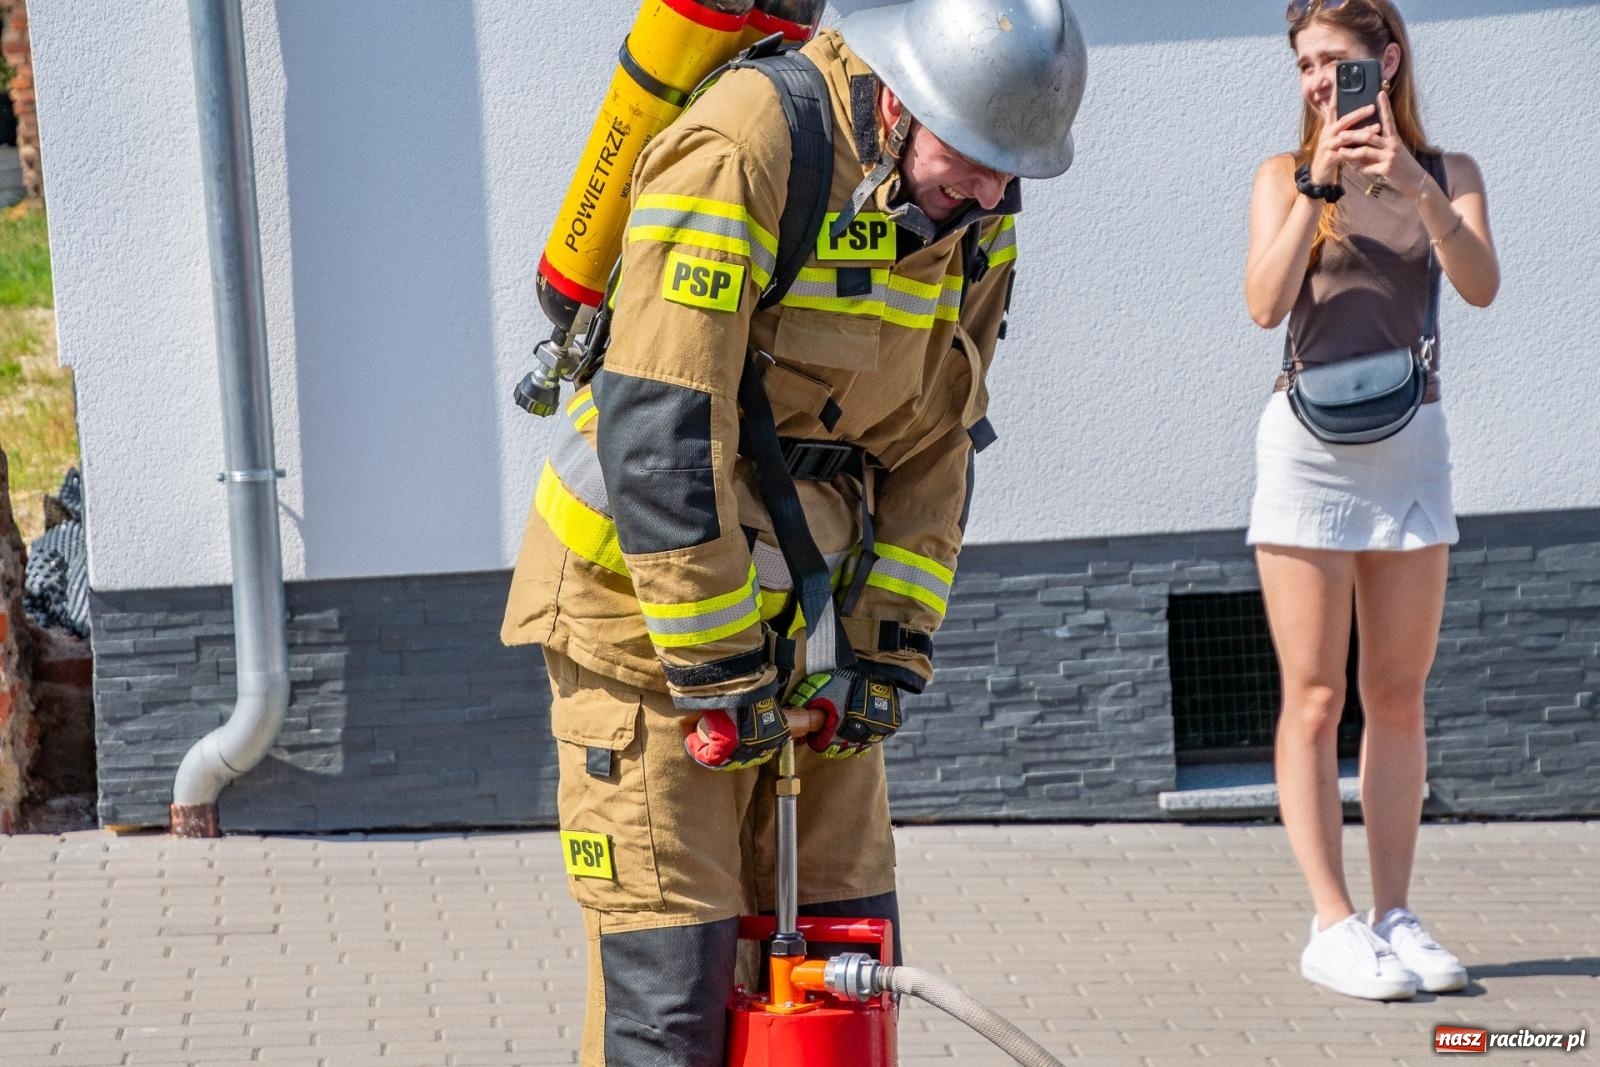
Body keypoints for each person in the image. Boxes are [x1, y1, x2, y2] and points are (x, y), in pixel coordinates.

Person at [501, 0, 1088, 1060]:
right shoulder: (746, 148)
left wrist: (885, 652)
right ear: (901, 97)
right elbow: (663, 427)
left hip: (806, 636)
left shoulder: (975, 208)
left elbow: (936, 436)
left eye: (1013, 171)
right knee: (670, 993)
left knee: (839, 963)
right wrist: (719, 668)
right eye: (973, 159)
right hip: (641, 627)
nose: (990, 194)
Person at [1243, 0, 1499, 1002]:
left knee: (1395, 693)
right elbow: (1264, 302)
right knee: (1312, 695)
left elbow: (1477, 284)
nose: (1317, 82)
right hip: (1304, 448)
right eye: (1305, 65)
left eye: (1334, 62)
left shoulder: (1451, 172)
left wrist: (1412, 190)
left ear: (1384, 64)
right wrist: (1319, 189)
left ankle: (1394, 912)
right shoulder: (1280, 175)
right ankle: (1332, 921)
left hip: (1410, 443)